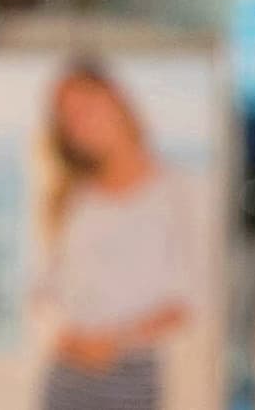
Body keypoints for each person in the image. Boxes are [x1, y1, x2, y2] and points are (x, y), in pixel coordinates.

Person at [35, 58, 191, 410]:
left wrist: (115, 342)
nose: (79, 124)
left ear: (115, 98)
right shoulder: (69, 194)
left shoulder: (172, 191)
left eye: (85, 107)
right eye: (68, 117)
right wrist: (65, 337)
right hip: (66, 370)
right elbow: (42, 290)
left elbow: (184, 301)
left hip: (131, 374)